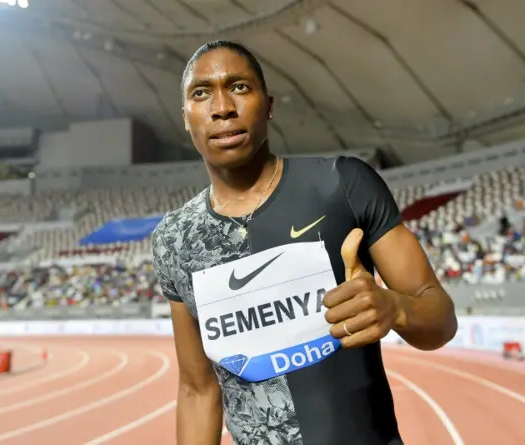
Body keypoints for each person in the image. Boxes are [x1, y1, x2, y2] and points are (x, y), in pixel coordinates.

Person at [152, 40, 458, 445]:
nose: (222, 106)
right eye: (201, 92)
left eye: (239, 87)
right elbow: (197, 390)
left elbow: (440, 321)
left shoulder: (342, 184)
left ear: (269, 104)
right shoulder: (174, 240)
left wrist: (395, 307)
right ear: (186, 118)